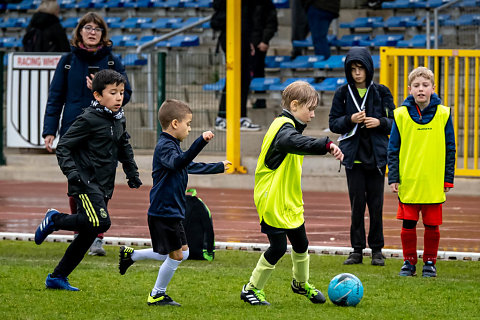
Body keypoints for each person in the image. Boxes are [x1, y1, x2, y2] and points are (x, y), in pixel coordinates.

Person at [34, 69, 142, 291]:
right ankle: (55, 219)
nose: (119, 97)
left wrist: (132, 173)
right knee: (102, 223)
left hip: (104, 185)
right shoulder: (88, 119)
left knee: (88, 232)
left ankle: (57, 277)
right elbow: (63, 146)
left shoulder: (119, 119)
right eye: (113, 92)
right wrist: (73, 174)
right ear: (97, 96)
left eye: (121, 92)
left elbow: (124, 146)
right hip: (85, 182)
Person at [118, 99, 231, 306]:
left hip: (172, 211)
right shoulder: (165, 147)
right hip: (163, 211)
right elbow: (180, 162)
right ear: (175, 124)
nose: (189, 128)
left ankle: (131, 256)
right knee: (176, 255)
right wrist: (200, 142)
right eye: (188, 124)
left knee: (183, 253)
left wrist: (218, 167)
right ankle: (157, 294)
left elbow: (188, 165)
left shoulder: (174, 147)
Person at [240, 81, 344, 305]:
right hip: (272, 198)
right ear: (295, 105)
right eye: (311, 109)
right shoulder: (283, 127)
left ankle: (300, 283)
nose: (313, 115)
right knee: (277, 247)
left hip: (289, 198)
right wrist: (325, 145)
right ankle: (251, 289)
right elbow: (291, 141)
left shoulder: (290, 126)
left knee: (301, 243)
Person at [42, 11, 133, 255]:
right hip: (75, 131)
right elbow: (55, 97)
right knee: (77, 182)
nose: (92, 32)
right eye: (87, 27)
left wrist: (103, 90)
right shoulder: (67, 61)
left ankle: (96, 234)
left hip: (105, 133)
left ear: (103, 34)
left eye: (97, 28)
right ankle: (81, 230)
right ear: (80, 32)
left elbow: (128, 93)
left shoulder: (113, 61)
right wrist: (49, 130)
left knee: (103, 183)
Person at [329, 47, 395, 266]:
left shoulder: (382, 92)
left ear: (369, 69)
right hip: (353, 159)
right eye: (353, 69)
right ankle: (356, 250)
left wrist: (380, 122)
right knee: (357, 206)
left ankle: (377, 250)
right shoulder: (342, 93)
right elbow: (333, 123)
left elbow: (395, 123)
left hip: (376, 158)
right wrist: (350, 119)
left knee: (376, 206)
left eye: (361, 68)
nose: (357, 73)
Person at [387, 66, 456, 277]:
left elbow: (450, 148)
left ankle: (429, 262)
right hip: (409, 181)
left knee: (431, 225)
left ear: (433, 88)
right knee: (408, 224)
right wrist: (394, 177)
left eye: (425, 85)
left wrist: (447, 179)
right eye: (416, 85)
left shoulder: (444, 114)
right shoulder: (400, 115)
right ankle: (408, 262)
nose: (421, 89)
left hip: (433, 182)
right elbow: (393, 149)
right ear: (409, 89)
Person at [211, 0, 261, 131]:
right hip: (231, 37)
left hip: (243, 36)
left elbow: (248, 17)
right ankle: (223, 117)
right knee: (235, 78)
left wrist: (250, 40)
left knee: (243, 78)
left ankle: (240, 116)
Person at [250, 0, 278, 109]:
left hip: (259, 44)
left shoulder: (266, 4)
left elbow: (271, 23)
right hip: (248, 42)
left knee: (258, 71)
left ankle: (260, 100)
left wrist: (265, 41)